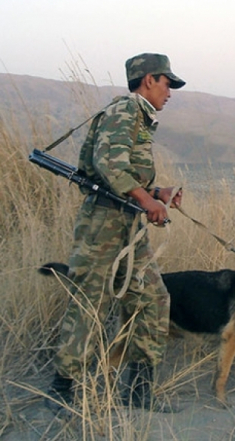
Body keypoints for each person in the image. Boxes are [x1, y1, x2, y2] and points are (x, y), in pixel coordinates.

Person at [44, 53, 185, 414]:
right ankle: (64, 390)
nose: (170, 92)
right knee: (90, 305)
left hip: (128, 226)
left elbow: (123, 175)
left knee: (153, 300)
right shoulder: (125, 111)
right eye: (167, 84)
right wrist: (146, 200)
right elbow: (109, 165)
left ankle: (138, 393)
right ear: (149, 79)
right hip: (102, 226)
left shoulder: (138, 116)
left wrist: (156, 194)